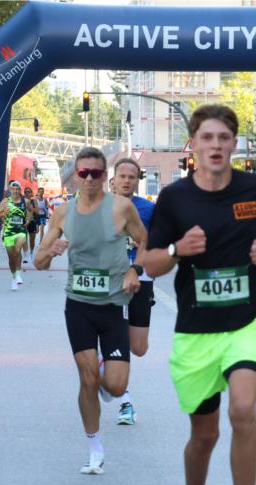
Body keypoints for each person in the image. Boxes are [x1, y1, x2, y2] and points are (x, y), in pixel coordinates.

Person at [143, 104, 256, 485]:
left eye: (224, 138)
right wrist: (176, 248)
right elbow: (149, 262)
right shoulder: (175, 199)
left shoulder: (254, 188)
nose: (216, 146)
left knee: (243, 410)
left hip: (248, 320)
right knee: (203, 436)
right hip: (196, 331)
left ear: (234, 144)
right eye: (207, 138)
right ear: (194, 143)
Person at [34, 147, 146, 474]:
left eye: (95, 174)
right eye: (83, 173)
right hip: (79, 306)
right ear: (75, 176)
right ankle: (94, 447)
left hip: (112, 306)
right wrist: (49, 252)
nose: (89, 179)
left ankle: (104, 374)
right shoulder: (62, 213)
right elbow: (39, 263)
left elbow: (145, 242)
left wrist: (133, 271)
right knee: (86, 379)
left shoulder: (122, 208)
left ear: (104, 176)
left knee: (113, 385)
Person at [109, 157, 155, 426]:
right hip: (110, 280)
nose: (127, 180)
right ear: (113, 179)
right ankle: (125, 400)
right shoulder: (100, 207)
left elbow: (157, 240)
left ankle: (112, 370)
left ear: (137, 180)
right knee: (116, 337)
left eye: (132, 177)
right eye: (122, 176)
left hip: (141, 279)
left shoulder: (148, 209)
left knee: (138, 347)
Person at [0, 180, 32, 290]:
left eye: (17, 189)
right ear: (10, 190)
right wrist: (3, 213)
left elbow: (30, 212)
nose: (15, 191)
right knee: (11, 258)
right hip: (9, 232)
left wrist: (28, 221)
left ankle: (19, 275)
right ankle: (14, 277)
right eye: (13, 189)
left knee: (18, 248)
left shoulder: (26, 201)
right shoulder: (5, 202)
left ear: (20, 190)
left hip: (20, 231)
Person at [23, 187, 40, 264]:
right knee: (24, 239)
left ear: (31, 193)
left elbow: (37, 211)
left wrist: (30, 207)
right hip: (24, 221)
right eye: (26, 192)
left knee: (32, 240)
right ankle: (26, 256)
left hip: (32, 221)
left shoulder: (34, 200)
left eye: (29, 192)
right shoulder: (22, 200)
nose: (27, 193)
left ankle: (31, 254)